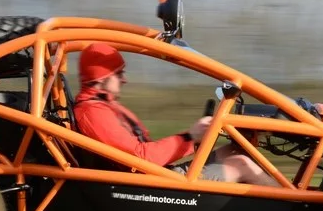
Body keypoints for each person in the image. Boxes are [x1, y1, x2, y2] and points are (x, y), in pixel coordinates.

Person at [72, 42, 279, 186]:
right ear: (102, 77)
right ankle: (297, 207)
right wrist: (189, 137)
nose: (124, 79)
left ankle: (289, 196)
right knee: (241, 164)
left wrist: (196, 139)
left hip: (153, 176)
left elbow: (144, 153)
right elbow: (141, 158)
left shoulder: (105, 107)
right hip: (145, 187)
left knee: (235, 152)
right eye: (119, 73)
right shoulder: (93, 112)